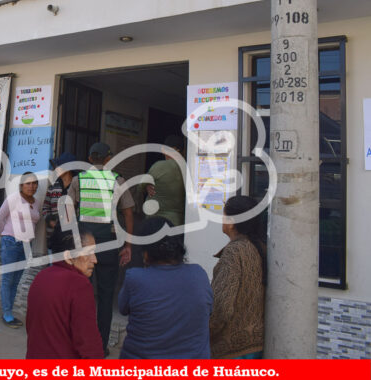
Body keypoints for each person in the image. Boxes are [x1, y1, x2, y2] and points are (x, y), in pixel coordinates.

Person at [65, 142, 134, 356]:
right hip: (108, 245)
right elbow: (129, 212)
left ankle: (79, 343)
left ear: (89, 157)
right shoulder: (117, 180)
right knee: (105, 298)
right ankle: (100, 347)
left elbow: (68, 211)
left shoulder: (79, 180)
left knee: (80, 297)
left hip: (84, 247)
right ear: (108, 159)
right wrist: (128, 244)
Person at [118, 216, 212, 359]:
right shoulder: (199, 274)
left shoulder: (135, 278)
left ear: (146, 252)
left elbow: (123, 308)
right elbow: (208, 310)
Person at [26, 227, 102, 359]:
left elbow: (31, 327)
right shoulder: (79, 285)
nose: (94, 260)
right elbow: (88, 342)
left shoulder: (41, 276)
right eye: (88, 253)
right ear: (68, 257)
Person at [210, 195, 267, 359]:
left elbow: (222, 307)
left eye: (224, 215)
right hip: (255, 343)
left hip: (232, 348)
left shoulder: (234, 252)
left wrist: (205, 331)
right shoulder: (259, 247)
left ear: (232, 221)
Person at [0, 171, 40, 328]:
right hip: (11, 242)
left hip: (26, 245)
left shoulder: (36, 202)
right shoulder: (14, 198)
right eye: (28, 183)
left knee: (17, 279)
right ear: (21, 185)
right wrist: (6, 235)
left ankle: (10, 311)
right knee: (8, 279)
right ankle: (7, 313)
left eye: (34, 183)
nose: (31, 186)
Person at [144, 135, 186, 228]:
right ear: (183, 151)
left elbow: (139, 188)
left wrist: (146, 186)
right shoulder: (189, 168)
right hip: (177, 222)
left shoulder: (158, 166)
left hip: (155, 221)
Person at [43, 152, 76, 253]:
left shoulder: (77, 186)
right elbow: (45, 207)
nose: (55, 169)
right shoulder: (53, 187)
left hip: (72, 236)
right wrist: (50, 221)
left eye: (59, 166)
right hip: (54, 235)